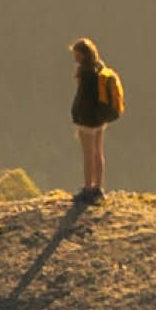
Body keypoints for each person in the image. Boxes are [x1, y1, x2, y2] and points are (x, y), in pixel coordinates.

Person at [70, 37, 110, 202]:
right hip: (100, 118)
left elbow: (80, 96)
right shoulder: (100, 67)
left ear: (82, 54)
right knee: (98, 152)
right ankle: (98, 188)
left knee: (87, 154)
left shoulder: (83, 71)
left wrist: (76, 116)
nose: (74, 57)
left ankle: (87, 188)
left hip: (86, 119)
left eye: (76, 53)